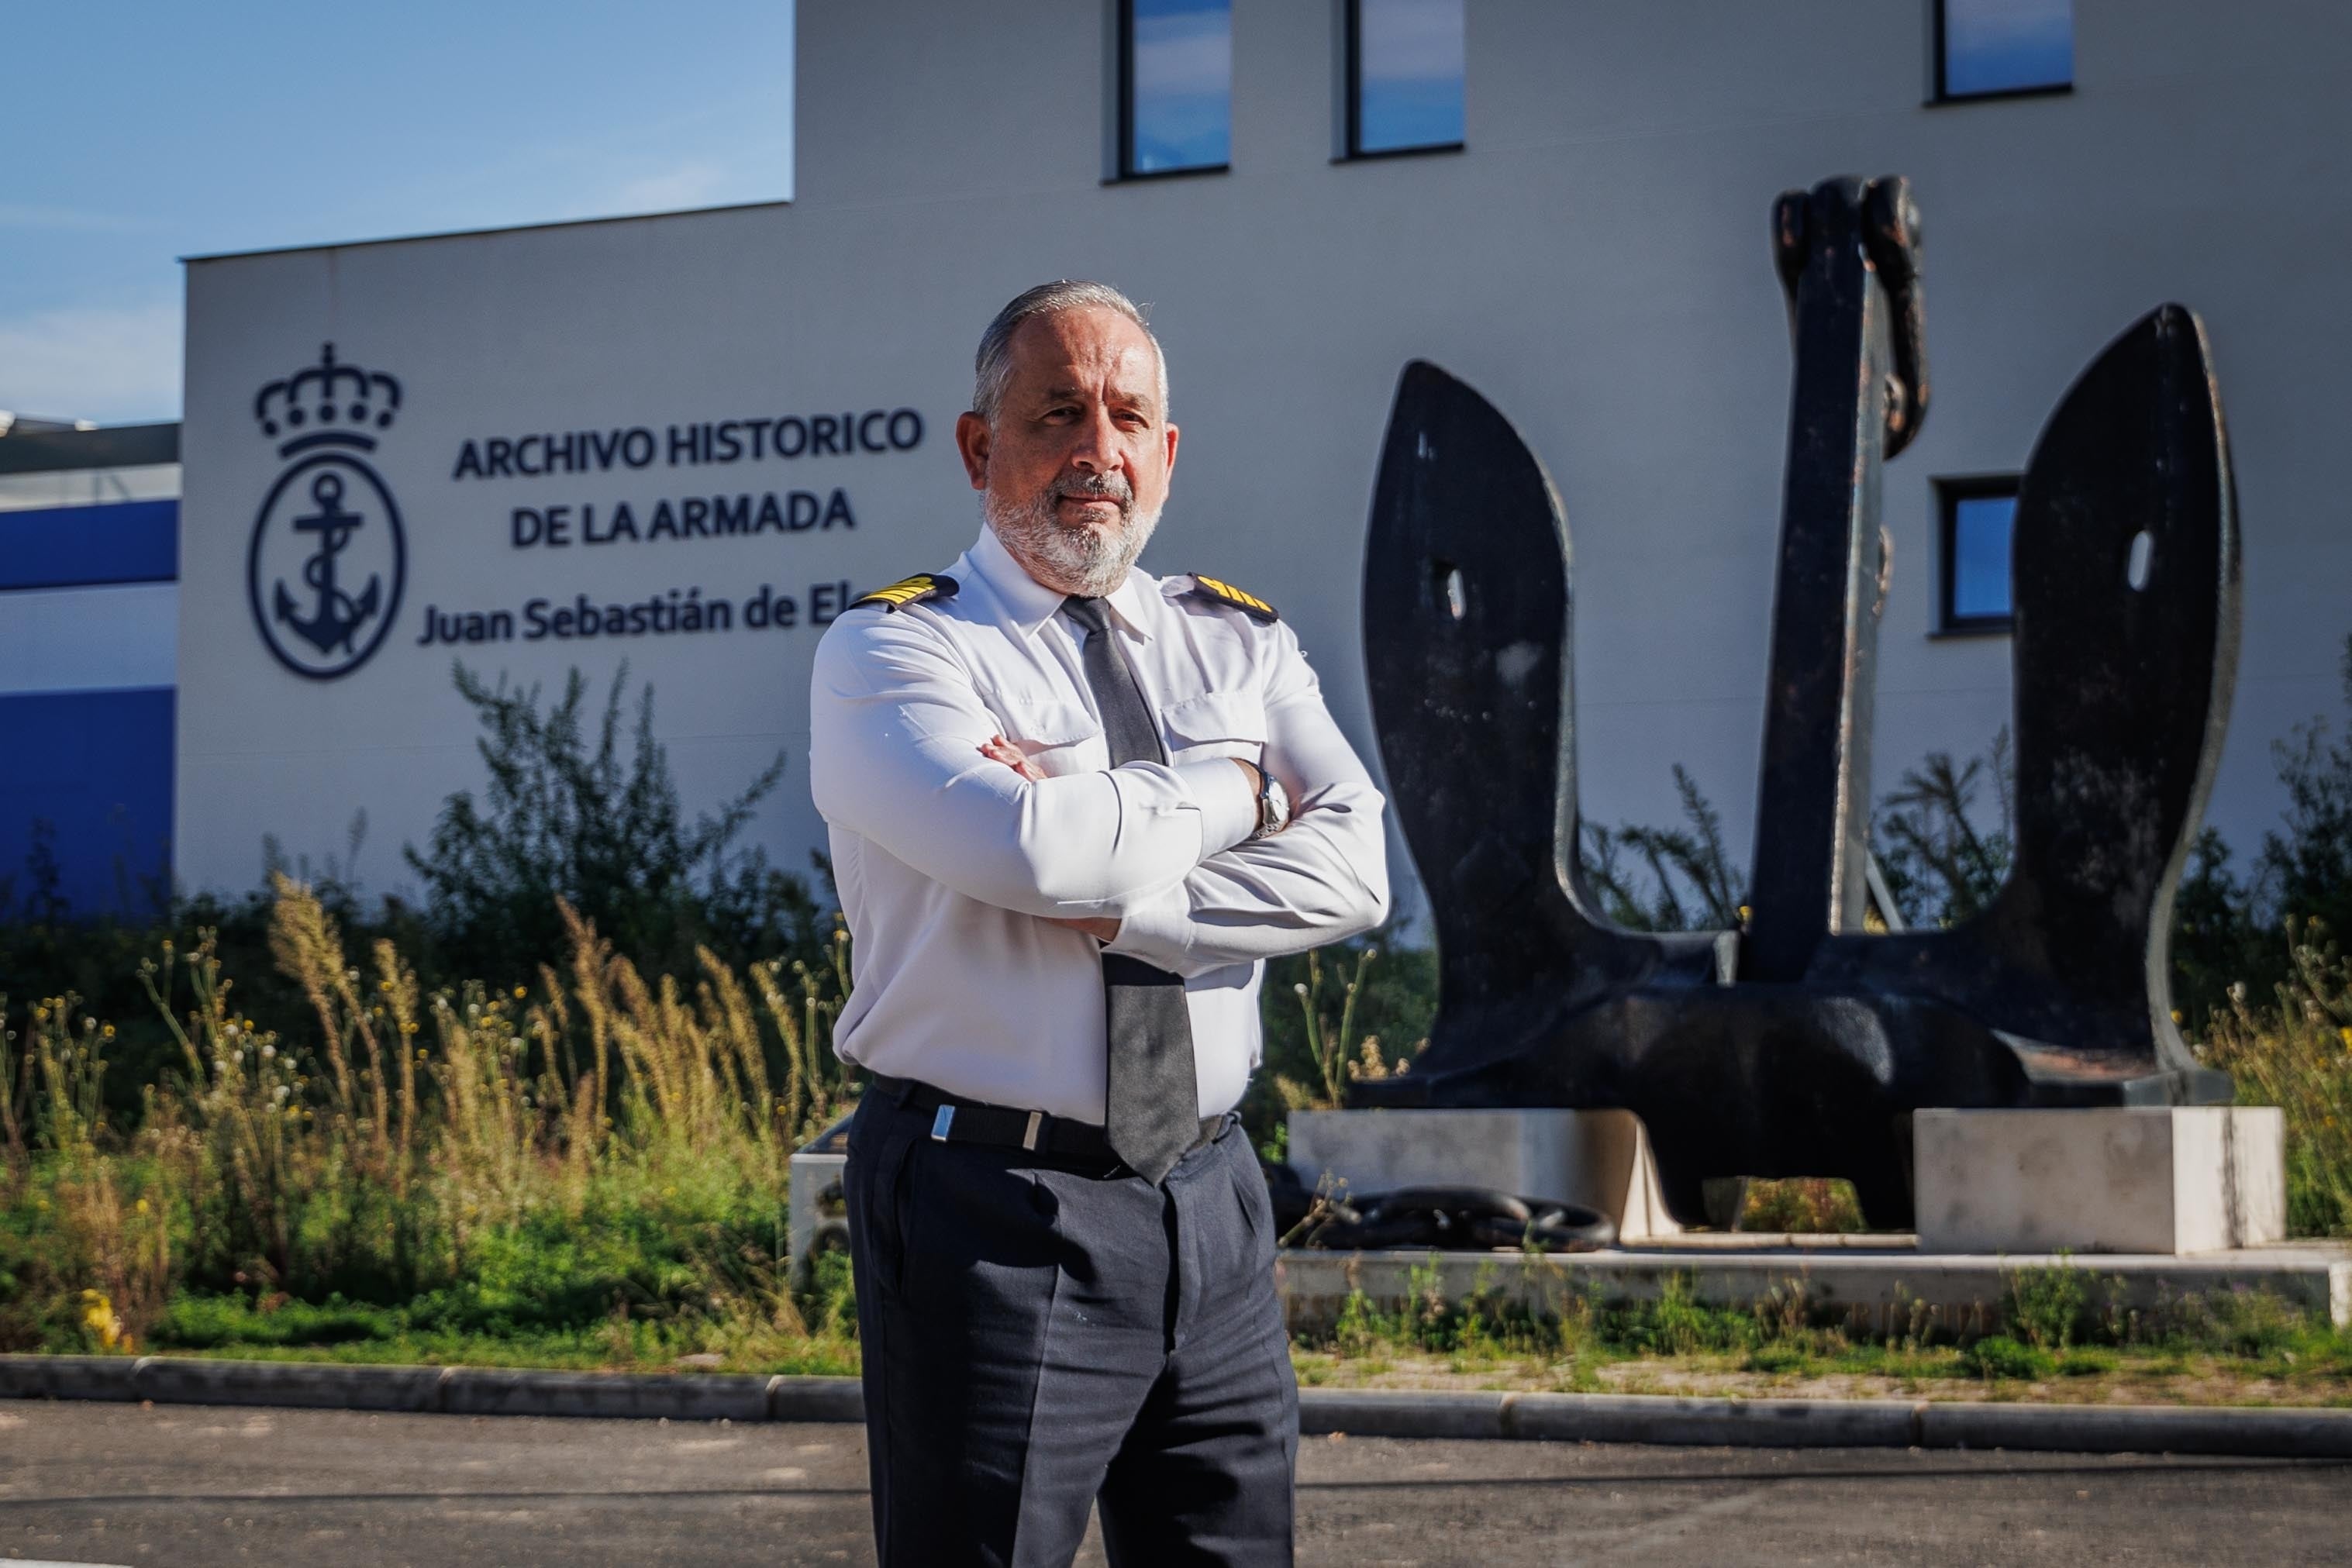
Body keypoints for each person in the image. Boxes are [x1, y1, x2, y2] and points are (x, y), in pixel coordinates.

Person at [807, 279, 1390, 1566]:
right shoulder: (898, 654)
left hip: (1212, 1194)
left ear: (1166, 455)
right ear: (979, 448)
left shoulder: (1236, 643)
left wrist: (1126, 880)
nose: (1098, 453)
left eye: (1128, 417)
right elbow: (1024, 849)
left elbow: (1356, 873)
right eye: (1057, 414)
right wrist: (1240, 792)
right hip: (988, 1206)